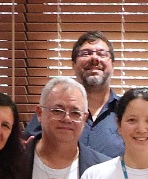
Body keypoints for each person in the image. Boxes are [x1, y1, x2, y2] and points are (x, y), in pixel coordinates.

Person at [25, 31, 124, 159]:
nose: (94, 58)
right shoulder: (52, 110)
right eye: (86, 53)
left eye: (102, 54)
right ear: (74, 65)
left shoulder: (126, 112)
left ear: (113, 65)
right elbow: (28, 149)